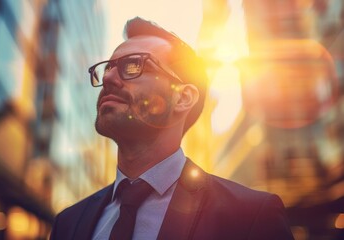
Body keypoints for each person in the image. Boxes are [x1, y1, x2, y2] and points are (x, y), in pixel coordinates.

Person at [50, 17, 294, 240]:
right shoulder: (68, 224)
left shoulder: (250, 217)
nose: (109, 78)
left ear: (183, 97)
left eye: (133, 65)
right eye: (108, 67)